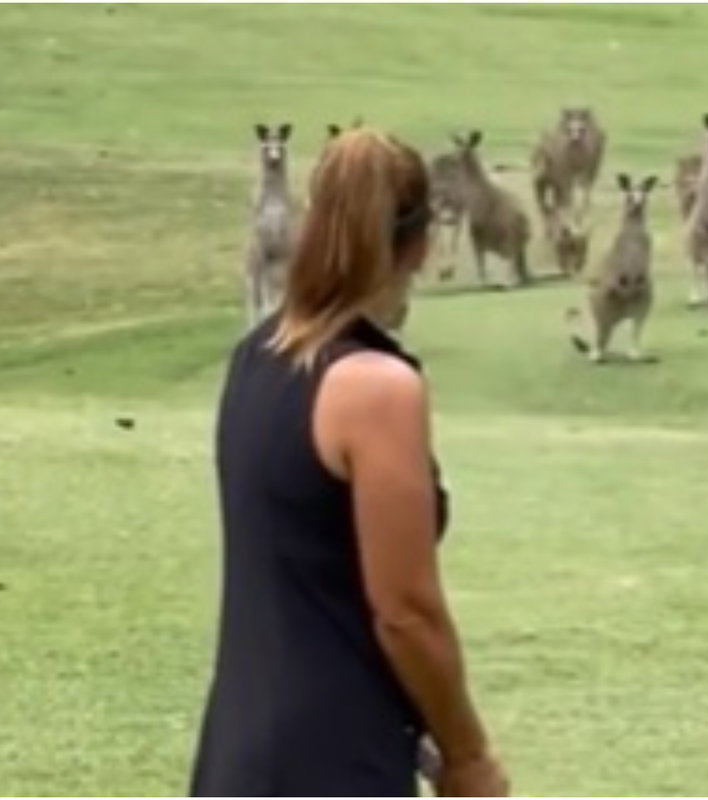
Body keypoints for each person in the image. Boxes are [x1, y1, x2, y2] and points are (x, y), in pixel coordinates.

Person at [189, 126, 508, 797]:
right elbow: (405, 611)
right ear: (418, 245)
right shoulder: (375, 387)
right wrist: (467, 753)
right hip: (333, 758)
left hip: (240, 751)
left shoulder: (257, 356)